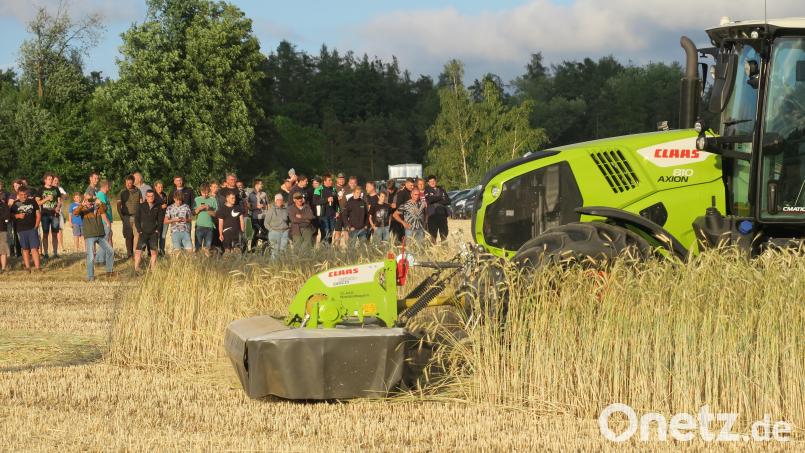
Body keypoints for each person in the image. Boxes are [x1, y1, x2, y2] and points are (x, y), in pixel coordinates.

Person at [74, 193, 114, 281]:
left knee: (110, 251)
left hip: (100, 235)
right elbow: (75, 213)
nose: (90, 202)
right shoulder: (83, 209)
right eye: (88, 200)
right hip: (90, 236)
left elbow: (105, 209)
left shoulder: (98, 207)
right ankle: (90, 277)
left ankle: (109, 272)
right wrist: (82, 205)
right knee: (91, 256)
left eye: (91, 199)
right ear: (84, 200)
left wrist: (100, 202)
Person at [12, 186, 41, 272]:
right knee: (25, 249)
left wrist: (36, 226)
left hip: (32, 228)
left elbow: (38, 214)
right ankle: (28, 267)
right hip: (21, 230)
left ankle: (38, 267)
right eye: (21, 194)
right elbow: (10, 215)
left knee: (34, 248)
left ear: (27, 194)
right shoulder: (15, 204)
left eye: (25, 194)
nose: (23, 196)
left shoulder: (32, 202)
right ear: (18, 194)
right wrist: (17, 216)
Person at [134, 190, 162, 272]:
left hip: (153, 233)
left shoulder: (158, 207)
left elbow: (160, 220)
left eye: (152, 196)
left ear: (154, 197)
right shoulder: (141, 206)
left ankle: (152, 270)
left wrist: (157, 230)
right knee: (138, 252)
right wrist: (139, 230)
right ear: (146, 197)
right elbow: (136, 219)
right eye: (149, 196)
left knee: (154, 252)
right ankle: (136, 269)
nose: (150, 198)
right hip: (143, 233)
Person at [37, 173, 61, 259]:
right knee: (45, 234)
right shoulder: (40, 190)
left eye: (52, 179)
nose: (51, 181)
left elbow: (59, 201)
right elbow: (38, 202)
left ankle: (55, 253)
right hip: (45, 215)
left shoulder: (56, 189)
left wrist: (58, 207)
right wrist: (47, 198)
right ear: (45, 180)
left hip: (55, 214)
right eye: (49, 179)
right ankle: (46, 253)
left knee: (55, 234)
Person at [118, 175, 141, 259]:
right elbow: (118, 205)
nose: (128, 184)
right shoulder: (122, 192)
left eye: (130, 183)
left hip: (136, 216)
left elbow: (141, 203)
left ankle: (136, 254)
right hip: (126, 217)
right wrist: (122, 217)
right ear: (125, 182)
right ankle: (129, 254)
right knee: (128, 236)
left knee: (137, 235)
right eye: (127, 183)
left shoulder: (138, 191)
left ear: (133, 182)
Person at [424, 175, 450, 243]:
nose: (432, 183)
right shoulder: (427, 190)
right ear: (428, 183)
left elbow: (448, 201)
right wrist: (440, 198)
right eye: (430, 181)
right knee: (432, 236)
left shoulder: (441, 189)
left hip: (442, 215)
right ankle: (433, 252)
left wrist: (435, 199)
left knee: (444, 234)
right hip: (432, 215)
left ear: (436, 181)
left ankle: (444, 251)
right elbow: (429, 200)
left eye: (433, 181)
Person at [193, 183, 217, 255]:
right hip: (199, 226)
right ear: (200, 192)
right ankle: (198, 262)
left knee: (208, 247)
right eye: (203, 193)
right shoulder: (196, 199)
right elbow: (193, 213)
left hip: (209, 226)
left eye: (207, 193)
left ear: (209, 192)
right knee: (198, 246)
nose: (205, 195)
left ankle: (207, 262)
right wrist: (199, 208)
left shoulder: (213, 200)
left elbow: (215, 214)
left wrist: (208, 209)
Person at [264, 193, 290, 258]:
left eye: (281, 200)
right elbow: (266, 223)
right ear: (275, 201)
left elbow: (289, 220)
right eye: (278, 200)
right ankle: (274, 266)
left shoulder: (285, 210)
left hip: (285, 232)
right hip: (274, 232)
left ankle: (281, 266)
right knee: (275, 252)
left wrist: (288, 228)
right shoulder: (271, 210)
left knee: (284, 251)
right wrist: (271, 230)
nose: (280, 201)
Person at [248, 179, 268, 250]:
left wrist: (265, 207)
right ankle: (252, 249)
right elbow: (248, 207)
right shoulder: (251, 195)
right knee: (256, 233)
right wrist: (256, 207)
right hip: (255, 217)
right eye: (261, 184)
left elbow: (267, 205)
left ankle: (264, 249)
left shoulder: (264, 194)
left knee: (265, 233)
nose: (262, 185)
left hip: (264, 216)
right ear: (256, 185)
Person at [317, 174, 337, 244]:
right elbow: (315, 201)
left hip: (332, 215)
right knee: (326, 232)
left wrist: (337, 211)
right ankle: (324, 250)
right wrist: (326, 200)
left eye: (331, 180)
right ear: (324, 181)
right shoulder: (318, 189)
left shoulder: (334, 189)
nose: (331, 181)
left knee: (331, 233)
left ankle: (328, 250)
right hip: (323, 215)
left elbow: (336, 202)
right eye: (329, 180)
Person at [52, 175, 68, 255]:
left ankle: (61, 247)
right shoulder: (48, 189)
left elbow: (66, 196)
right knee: (51, 231)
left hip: (59, 212)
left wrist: (61, 197)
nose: (56, 182)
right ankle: (52, 248)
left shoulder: (60, 188)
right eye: (55, 180)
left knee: (60, 230)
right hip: (50, 212)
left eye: (57, 181)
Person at [153, 180, 169, 255]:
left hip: (165, 218)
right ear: (155, 187)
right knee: (156, 235)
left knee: (163, 236)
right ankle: (154, 252)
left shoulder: (164, 195)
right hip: (156, 219)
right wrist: (160, 207)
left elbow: (166, 206)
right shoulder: (152, 195)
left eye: (162, 187)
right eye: (159, 187)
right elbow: (151, 207)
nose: (160, 189)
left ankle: (162, 252)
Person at [0, 196, 9, 273]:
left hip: (2, 229)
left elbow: (6, 217)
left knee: (3, 249)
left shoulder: (4, 205)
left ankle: (3, 268)